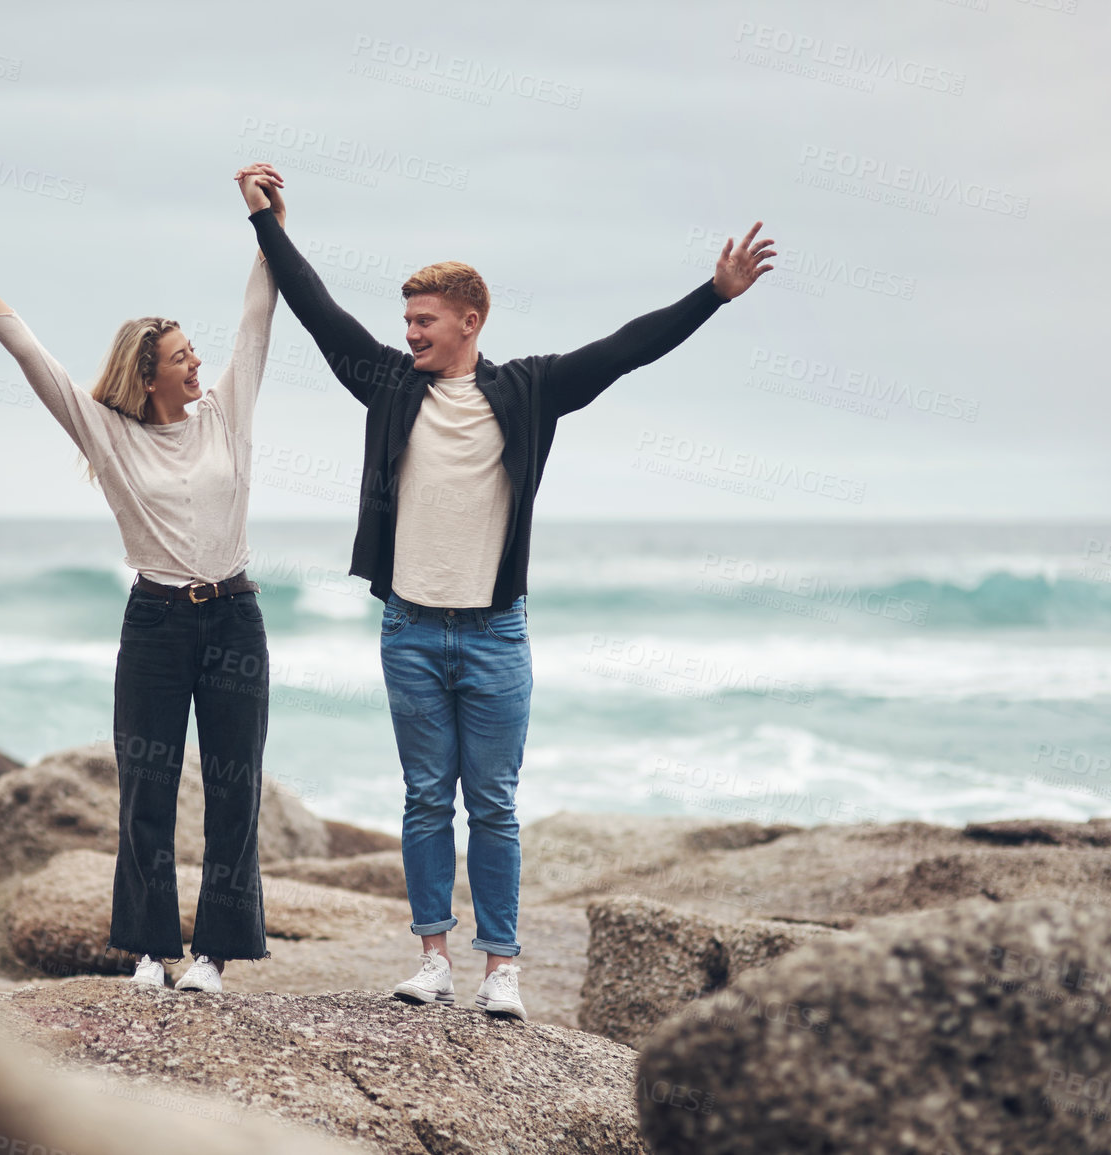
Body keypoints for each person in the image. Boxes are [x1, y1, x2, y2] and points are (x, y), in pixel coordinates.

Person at [234, 163, 775, 1019]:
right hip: (409, 628)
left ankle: (500, 967)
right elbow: (316, 311)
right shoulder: (386, 384)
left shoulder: (526, 391)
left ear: (468, 322)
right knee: (422, 798)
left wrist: (711, 295)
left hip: (495, 634)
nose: (409, 332)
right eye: (406, 320)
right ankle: (431, 959)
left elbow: (623, 350)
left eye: (424, 320)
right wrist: (269, 223)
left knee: (491, 803)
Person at [0, 168, 290, 993]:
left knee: (234, 790)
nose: (198, 363)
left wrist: (264, 224)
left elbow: (257, 320)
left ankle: (213, 956)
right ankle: (152, 952)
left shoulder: (227, 414)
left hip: (234, 618)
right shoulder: (106, 432)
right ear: (147, 372)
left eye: (196, 352)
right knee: (145, 790)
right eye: (182, 356)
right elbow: (28, 352)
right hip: (155, 623)